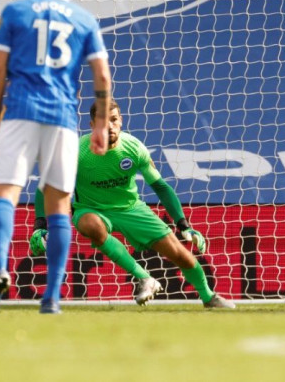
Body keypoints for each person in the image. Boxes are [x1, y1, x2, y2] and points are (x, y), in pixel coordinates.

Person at [0, 0, 111, 315]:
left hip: (19, 111)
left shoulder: (15, 12)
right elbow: (101, 75)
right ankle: (52, 296)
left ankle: (0, 271)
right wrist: (100, 124)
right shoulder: (84, 19)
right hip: (63, 118)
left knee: (5, 193)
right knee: (59, 206)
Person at [29, 100, 235, 309]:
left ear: (121, 121)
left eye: (114, 120)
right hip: (92, 209)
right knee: (90, 225)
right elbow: (45, 185)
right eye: (102, 121)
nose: (109, 126)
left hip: (130, 208)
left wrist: (183, 224)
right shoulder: (75, 152)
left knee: (180, 254)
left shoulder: (134, 148)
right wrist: (40, 225)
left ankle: (209, 297)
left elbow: (161, 187)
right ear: (92, 126)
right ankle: (144, 278)